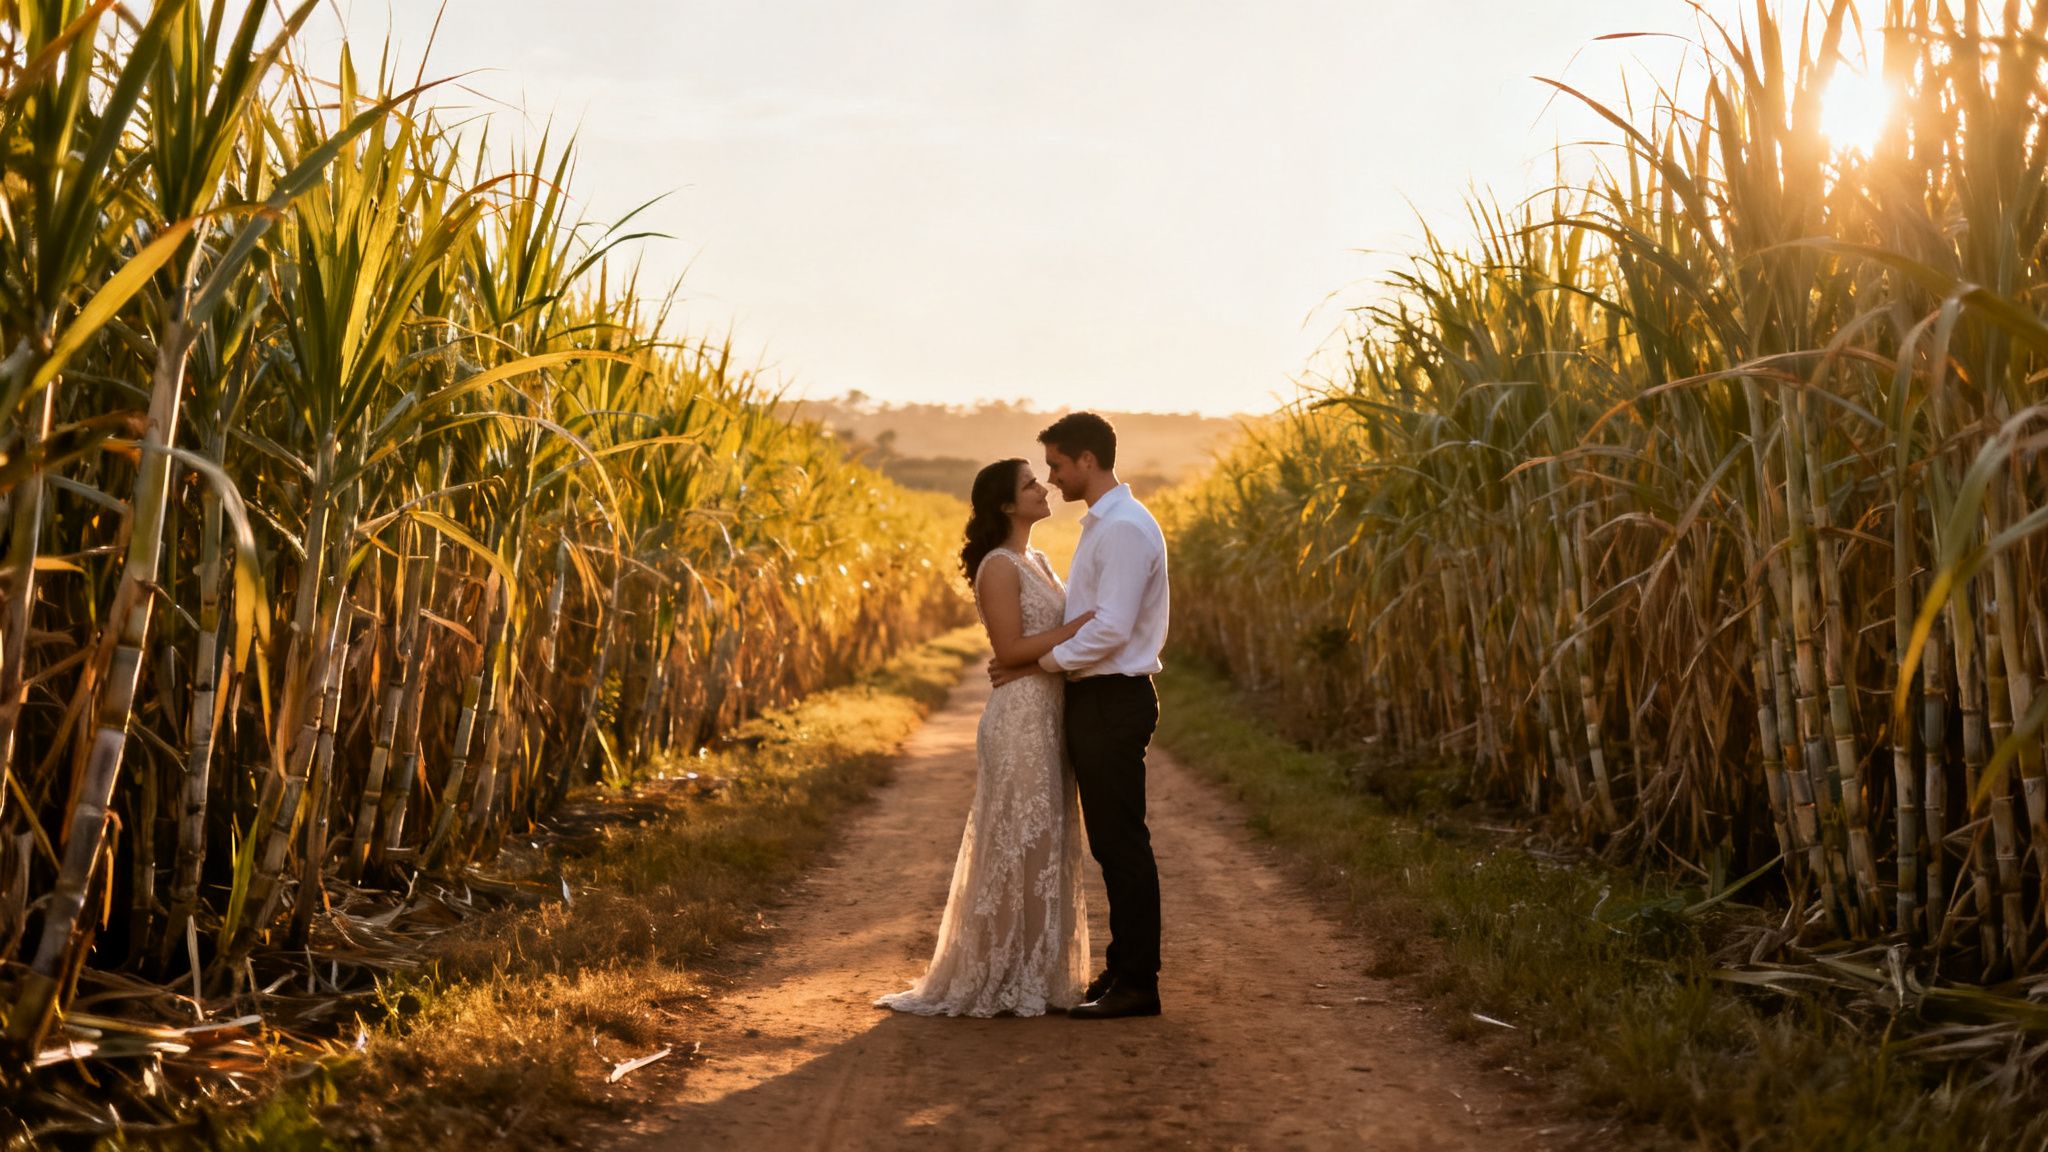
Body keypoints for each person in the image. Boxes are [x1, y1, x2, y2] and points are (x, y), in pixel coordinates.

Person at [876, 459, 1095, 1017]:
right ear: (1004, 505)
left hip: (1048, 714)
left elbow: (1026, 655)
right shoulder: (998, 566)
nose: (1042, 487)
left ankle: (1038, 972)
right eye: (1029, 484)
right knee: (1017, 844)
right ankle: (998, 973)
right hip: (1019, 721)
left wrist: (1040, 657)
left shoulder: (1039, 560)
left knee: (1046, 844)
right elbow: (1011, 650)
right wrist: (1078, 627)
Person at [992, 412, 1169, 1020]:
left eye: (1057, 465)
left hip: (1113, 696)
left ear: (1087, 461)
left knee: (1121, 843)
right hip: (1100, 696)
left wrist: (1040, 665)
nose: (1053, 477)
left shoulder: (1120, 529)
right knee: (1113, 842)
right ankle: (1123, 968)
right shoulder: (1106, 524)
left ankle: (1138, 983)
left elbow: (1113, 628)